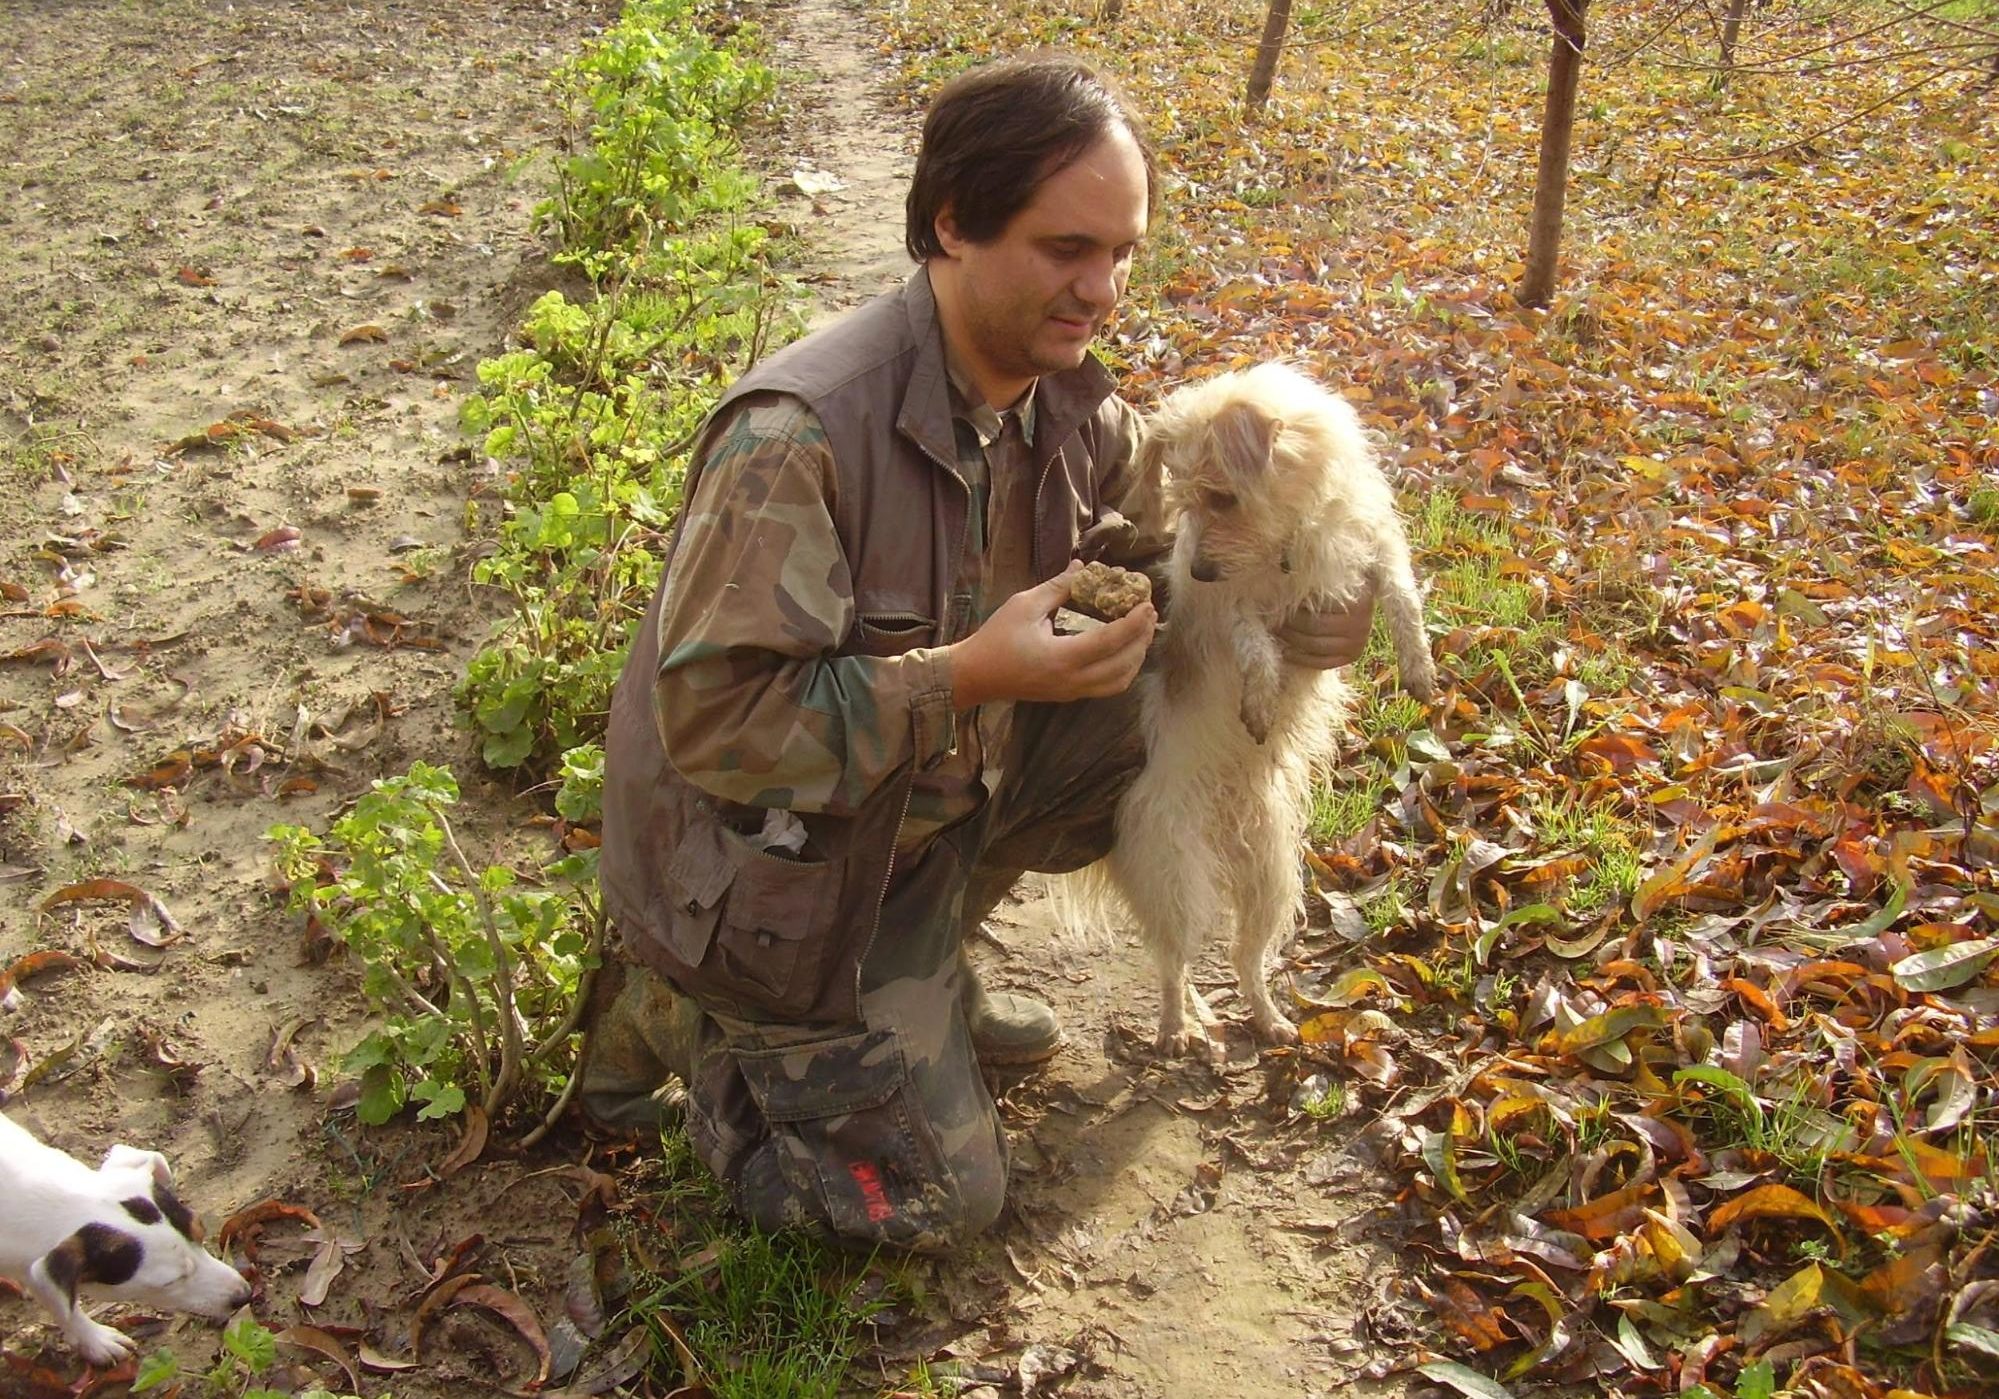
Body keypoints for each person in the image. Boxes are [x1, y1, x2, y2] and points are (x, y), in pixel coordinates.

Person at [583, 53, 1374, 1252]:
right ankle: (701, 1027)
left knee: (1157, 714)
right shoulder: (802, 437)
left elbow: (1180, 574)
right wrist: (969, 674)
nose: (1101, 287)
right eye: (1066, 248)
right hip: (775, 870)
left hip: (913, 817)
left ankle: (925, 968)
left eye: (1120, 253)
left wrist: (1306, 614)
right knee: (944, 1199)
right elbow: (718, 727)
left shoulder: (1075, 416)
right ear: (952, 223)